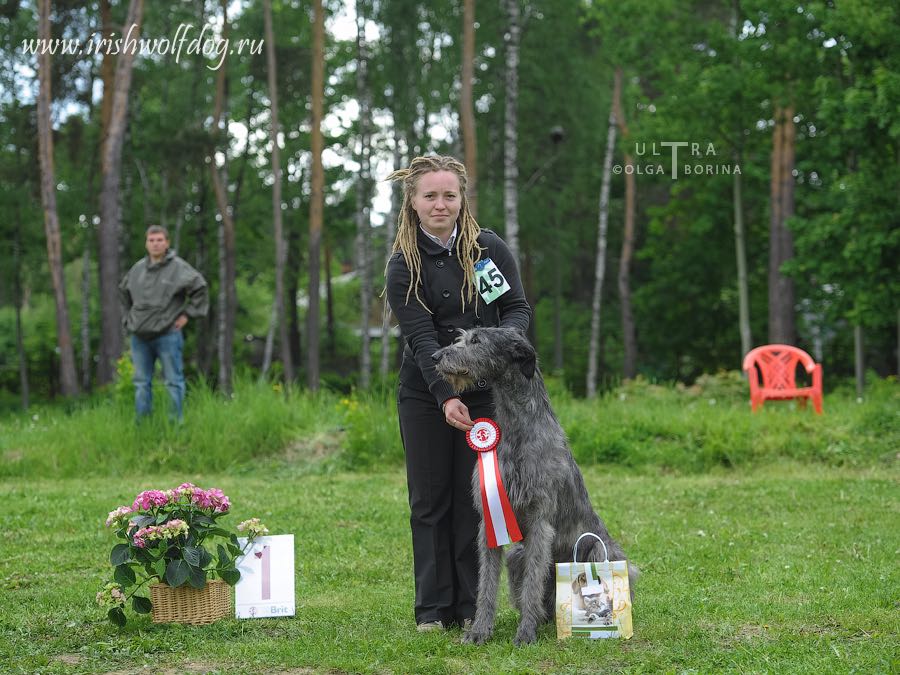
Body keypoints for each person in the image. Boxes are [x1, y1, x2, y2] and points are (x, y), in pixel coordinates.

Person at [385, 155, 532, 632]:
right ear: (413, 202)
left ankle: (472, 605)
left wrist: (500, 345)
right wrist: (446, 395)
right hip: (426, 393)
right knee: (430, 500)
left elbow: (515, 308)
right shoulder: (403, 264)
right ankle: (432, 610)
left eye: (449, 195)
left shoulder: (485, 251)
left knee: (477, 501)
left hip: (486, 395)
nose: (440, 204)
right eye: (430, 195)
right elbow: (422, 337)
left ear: (462, 198)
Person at [119, 225, 208, 421]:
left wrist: (187, 315)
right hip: (139, 336)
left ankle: (175, 425)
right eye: (151, 240)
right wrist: (127, 319)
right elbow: (123, 294)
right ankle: (143, 426)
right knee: (141, 383)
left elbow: (200, 288)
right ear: (146, 244)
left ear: (167, 243)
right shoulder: (137, 269)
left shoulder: (179, 268)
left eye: (159, 240)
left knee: (173, 382)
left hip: (167, 334)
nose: (155, 244)